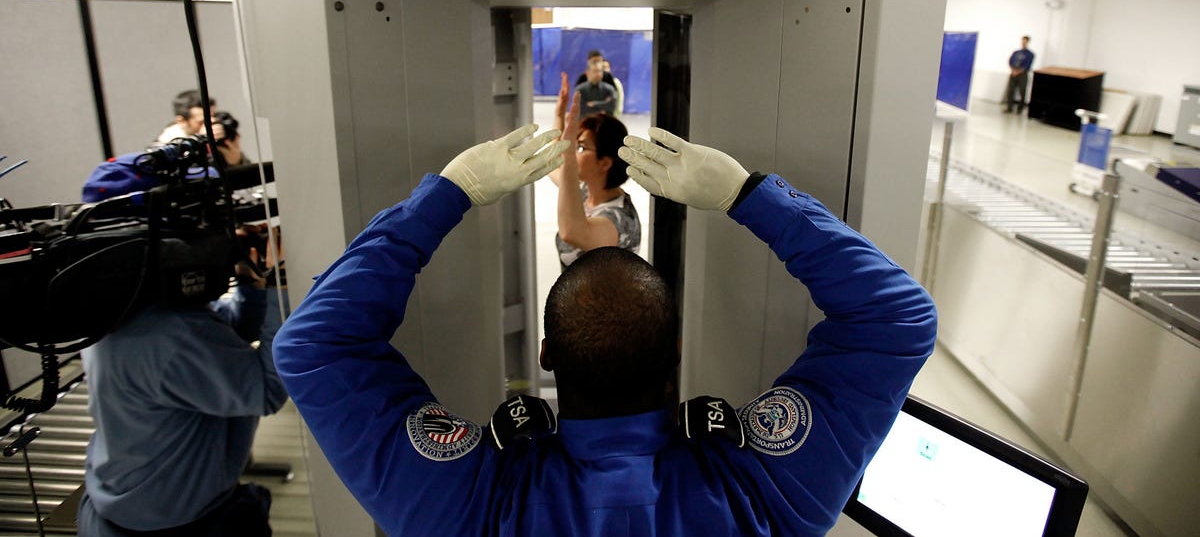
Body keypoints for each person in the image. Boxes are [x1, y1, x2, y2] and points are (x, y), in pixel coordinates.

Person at [273, 121, 937, 535]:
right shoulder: (763, 492)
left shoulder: (470, 505)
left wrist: (447, 194)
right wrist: (748, 194)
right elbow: (896, 318)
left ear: (545, 355)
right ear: (674, 350)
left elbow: (312, 344)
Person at [76, 155, 287, 536]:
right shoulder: (164, 334)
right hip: (173, 524)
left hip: (129, 500)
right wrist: (278, 284)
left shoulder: (117, 306)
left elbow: (223, 335)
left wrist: (250, 278)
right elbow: (267, 391)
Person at [549, 73, 641, 268]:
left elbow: (572, 232)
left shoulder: (620, 219)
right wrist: (559, 114)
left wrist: (568, 153)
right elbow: (554, 162)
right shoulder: (584, 190)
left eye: (582, 147)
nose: (574, 151)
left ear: (605, 163)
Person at [1004, 35, 1035, 114]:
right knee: (1010, 91)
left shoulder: (1030, 54)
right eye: (1022, 41)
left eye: (1025, 41)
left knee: (1022, 91)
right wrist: (1013, 70)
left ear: (1028, 42)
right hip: (1013, 73)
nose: (1023, 43)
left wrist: (1018, 71)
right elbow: (1010, 61)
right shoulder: (1016, 52)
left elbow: (1027, 65)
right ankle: (1009, 107)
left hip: (1022, 75)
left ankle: (1020, 109)